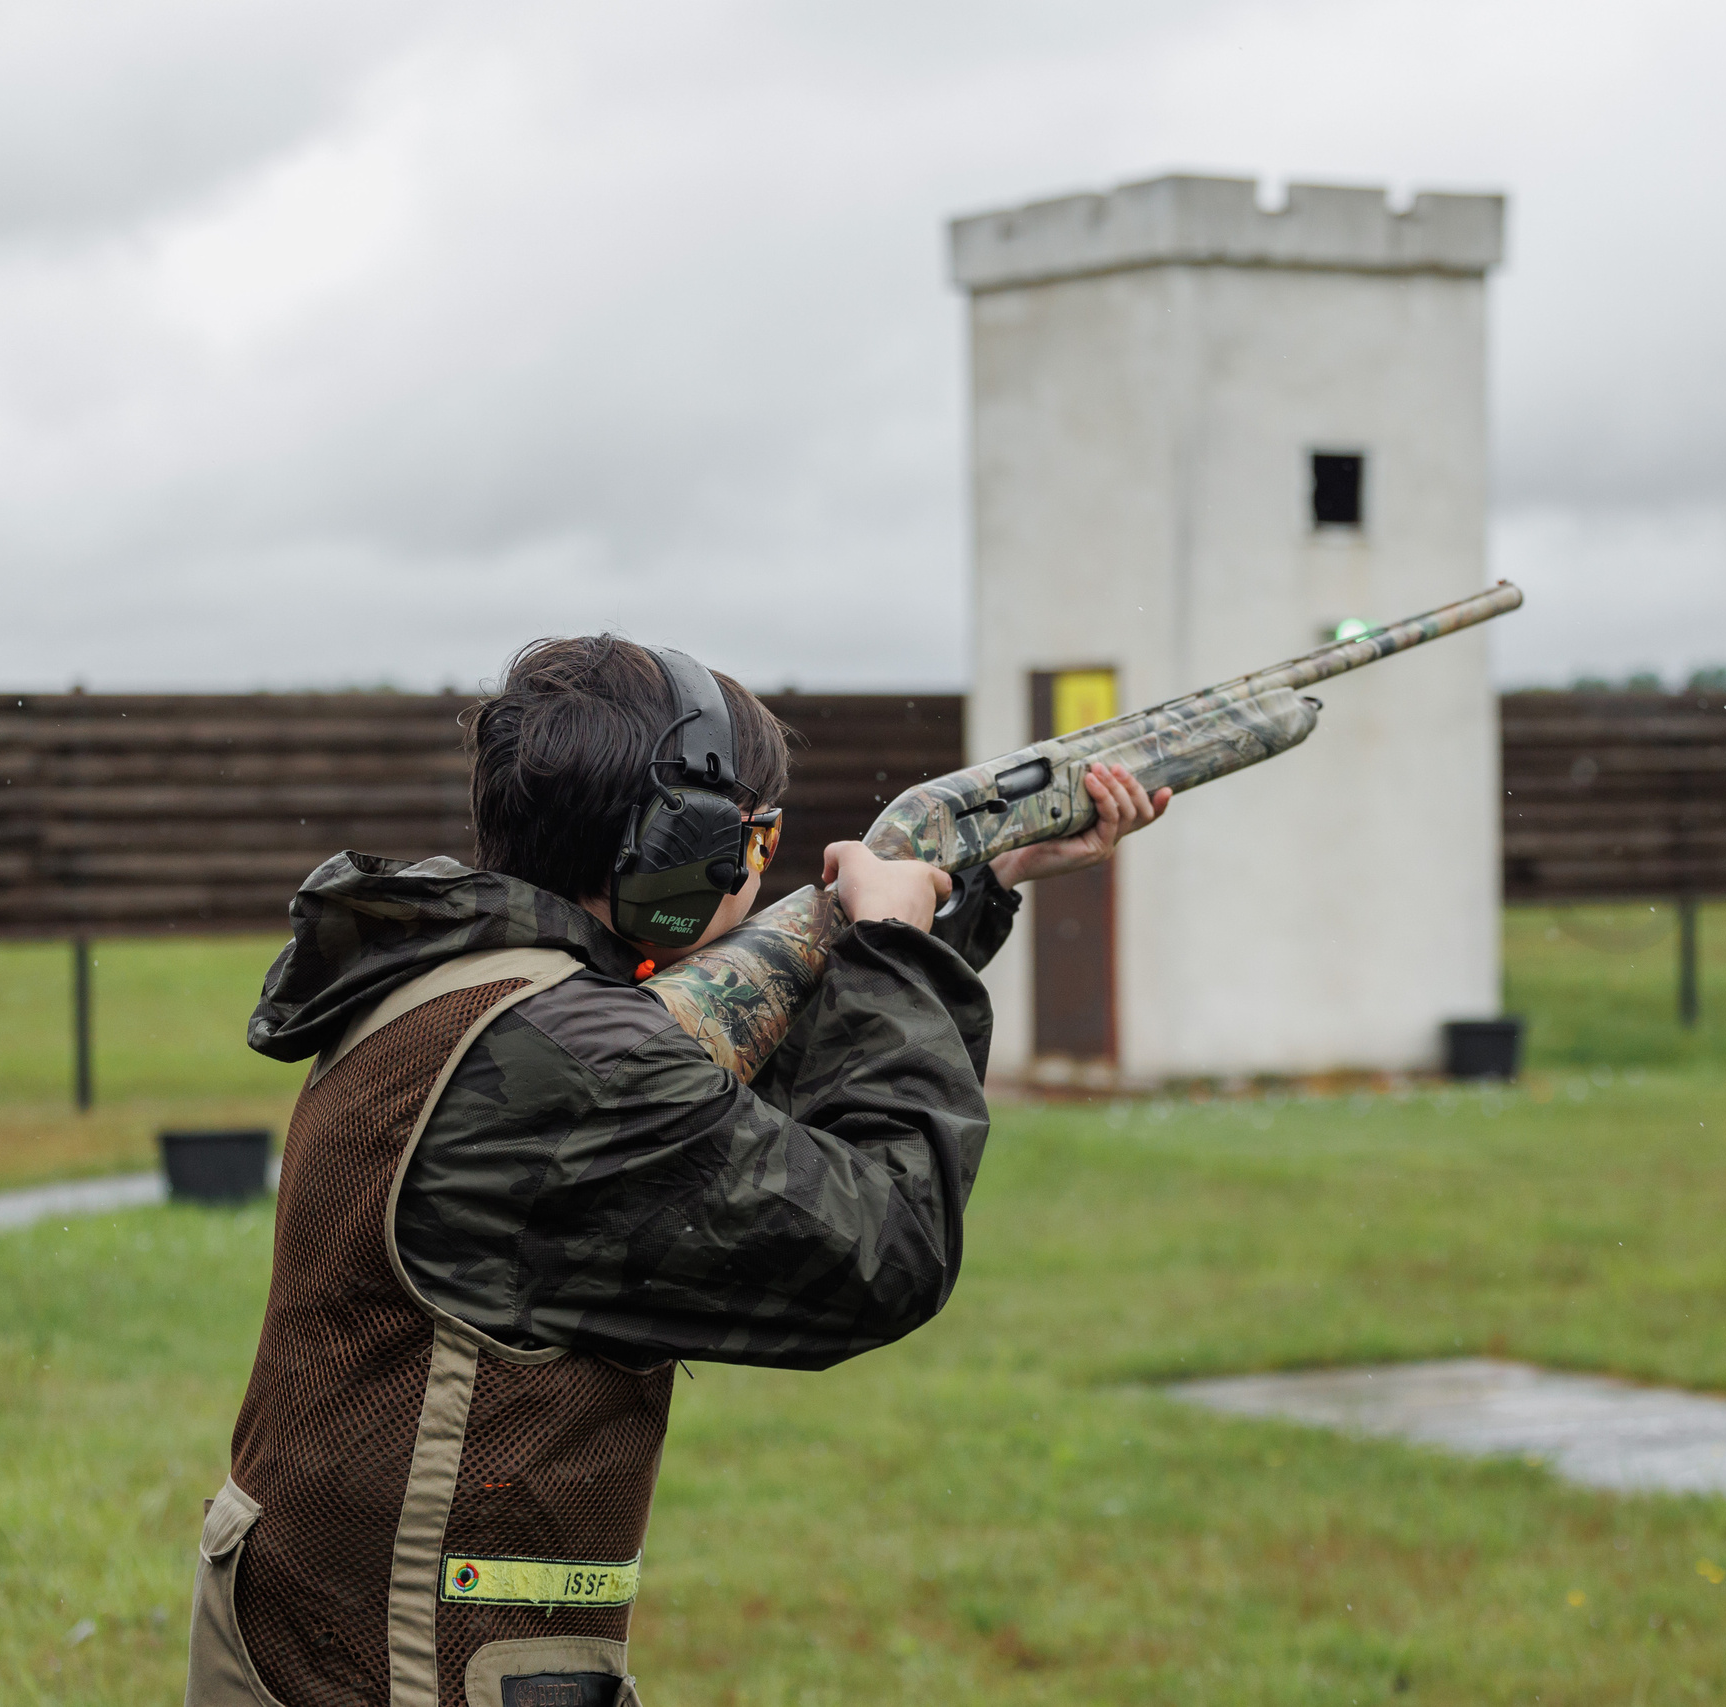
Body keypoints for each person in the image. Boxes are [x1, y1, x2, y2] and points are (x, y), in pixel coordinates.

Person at [184, 635, 1165, 1707]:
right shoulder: (581, 1064)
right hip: (407, 1674)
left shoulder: (457, 983)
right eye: (756, 836)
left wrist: (973, 885)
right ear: (680, 849)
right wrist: (891, 945)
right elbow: (886, 1242)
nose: (762, 866)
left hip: (325, 1648)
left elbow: (736, 1113)